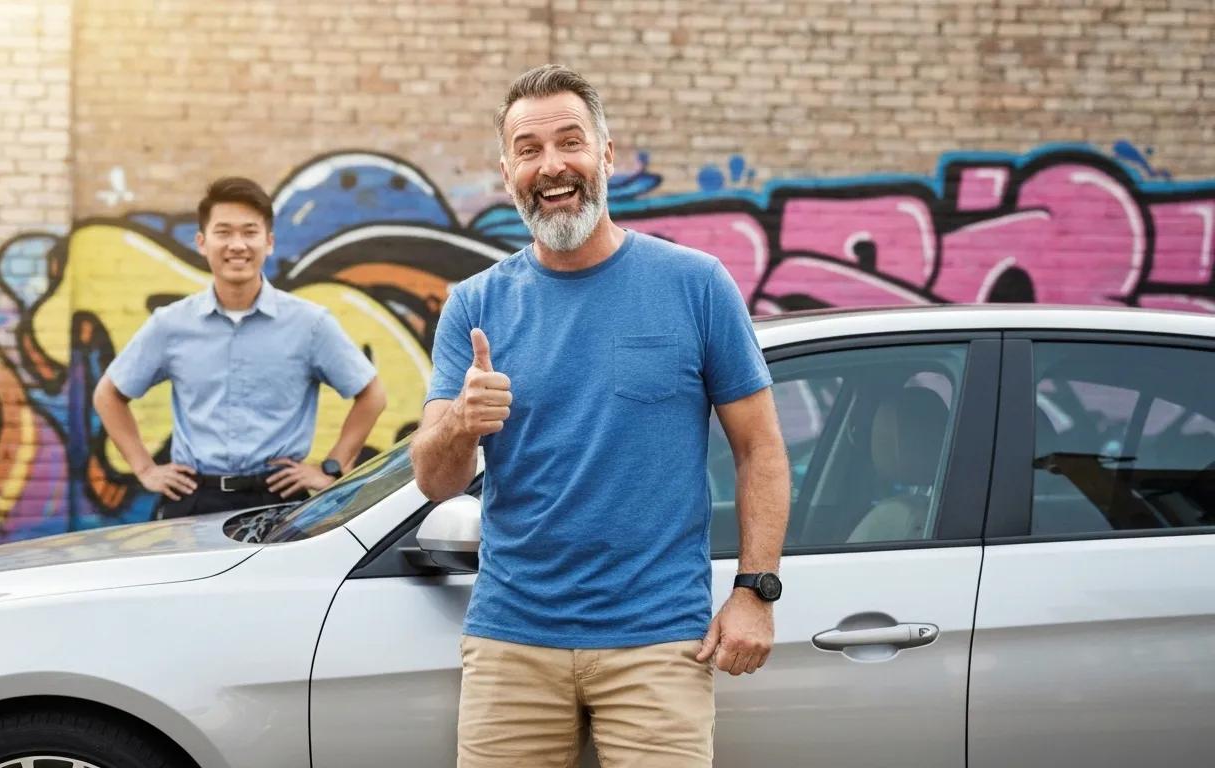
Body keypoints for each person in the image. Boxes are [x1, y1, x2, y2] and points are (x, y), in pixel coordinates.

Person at [411, 65, 791, 766]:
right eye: (529, 150)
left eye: (571, 142)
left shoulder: (696, 284)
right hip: (512, 639)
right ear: (507, 173)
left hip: (658, 641)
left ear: (606, 155)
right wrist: (462, 421)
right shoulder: (474, 305)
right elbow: (436, 482)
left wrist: (755, 590)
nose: (552, 165)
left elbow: (760, 448)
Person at [94, 176, 386, 519]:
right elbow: (108, 395)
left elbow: (372, 395)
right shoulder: (170, 324)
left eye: (250, 232)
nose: (237, 245)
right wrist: (144, 469)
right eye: (223, 232)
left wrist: (332, 468)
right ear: (202, 242)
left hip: (278, 502)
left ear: (269, 242)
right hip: (193, 501)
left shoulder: (310, 324)